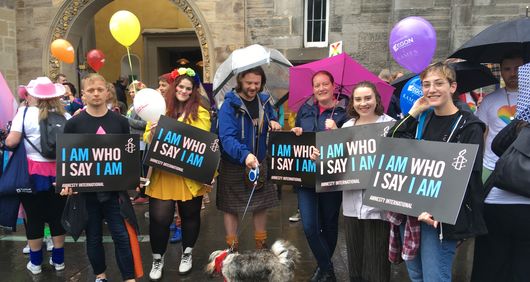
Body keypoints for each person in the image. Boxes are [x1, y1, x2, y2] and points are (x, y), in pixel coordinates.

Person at [388, 62, 487, 281]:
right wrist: (413, 112)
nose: (431, 90)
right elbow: (391, 144)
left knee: (435, 276)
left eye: (438, 83)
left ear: (452, 87)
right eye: (426, 85)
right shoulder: (423, 118)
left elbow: (468, 175)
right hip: (413, 212)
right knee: (416, 274)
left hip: (438, 219)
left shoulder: (469, 126)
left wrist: (438, 214)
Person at [60, 73, 138, 282]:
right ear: (83, 95)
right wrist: (66, 183)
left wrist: (134, 179)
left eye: (99, 89)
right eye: (90, 90)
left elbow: (127, 153)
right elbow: (69, 159)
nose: (96, 94)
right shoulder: (74, 124)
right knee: (93, 237)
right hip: (87, 194)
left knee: (121, 235)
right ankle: (100, 276)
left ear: (107, 92)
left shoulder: (120, 122)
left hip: (114, 192)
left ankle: (129, 277)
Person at [143, 68, 210, 279]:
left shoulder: (200, 112)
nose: (184, 91)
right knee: (159, 219)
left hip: (188, 174)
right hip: (163, 174)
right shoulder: (160, 108)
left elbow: (201, 138)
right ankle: (157, 258)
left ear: (193, 92)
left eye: (188, 88)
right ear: (174, 87)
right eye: (180, 86)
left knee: (190, 215)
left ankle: (187, 253)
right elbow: (147, 137)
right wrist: (153, 132)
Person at [5, 77, 70, 275]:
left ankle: (35, 263)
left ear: (33, 95)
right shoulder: (65, 116)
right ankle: (58, 260)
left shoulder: (24, 113)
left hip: (32, 174)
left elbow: (11, 142)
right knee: (57, 217)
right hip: (60, 173)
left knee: (34, 218)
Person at [291, 70, 350, 282]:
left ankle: (322, 268)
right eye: (317, 85)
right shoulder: (305, 109)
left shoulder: (346, 111)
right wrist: (296, 131)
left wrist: (338, 131)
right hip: (307, 176)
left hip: (332, 176)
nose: (321, 88)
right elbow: (298, 135)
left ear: (334, 86)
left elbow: (355, 142)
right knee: (309, 226)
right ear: (313, 88)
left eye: (325, 84)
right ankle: (327, 268)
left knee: (329, 223)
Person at [216, 66, 281, 251]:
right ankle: (232, 247)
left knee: (260, 205)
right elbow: (226, 137)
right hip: (234, 162)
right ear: (240, 82)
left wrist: (274, 122)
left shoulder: (265, 100)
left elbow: (271, 117)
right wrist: (244, 155)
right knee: (230, 206)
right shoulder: (229, 105)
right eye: (249, 83)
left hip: (259, 161)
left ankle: (261, 245)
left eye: (257, 83)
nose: (253, 87)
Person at [342, 81, 394, 282]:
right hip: (351, 203)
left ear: (376, 99)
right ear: (352, 102)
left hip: (378, 203)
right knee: (355, 257)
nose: (363, 103)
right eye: (358, 99)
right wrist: (321, 158)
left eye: (367, 98)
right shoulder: (346, 127)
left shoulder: (389, 125)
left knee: (377, 259)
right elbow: (338, 161)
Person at [471, 115, 530, 282]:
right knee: (523, 270)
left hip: (498, 203)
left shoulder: (524, 118)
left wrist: (520, 123)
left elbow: (498, 146)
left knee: (489, 266)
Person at [475, 53, 523, 183]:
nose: (513, 73)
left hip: (524, 167)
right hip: (491, 166)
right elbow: (482, 132)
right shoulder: (489, 100)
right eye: (507, 69)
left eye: (518, 68)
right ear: (501, 71)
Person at [125, 81, 149, 206]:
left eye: (133, 91)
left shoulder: (145, 105)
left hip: (141, 140)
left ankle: (145, 194)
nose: (130, 93)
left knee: (142, 169)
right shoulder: (131, 105)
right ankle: (139, 192)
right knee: (137, 169)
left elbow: (146, 124)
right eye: (129, 91)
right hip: (133, 140)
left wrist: (128, 121)